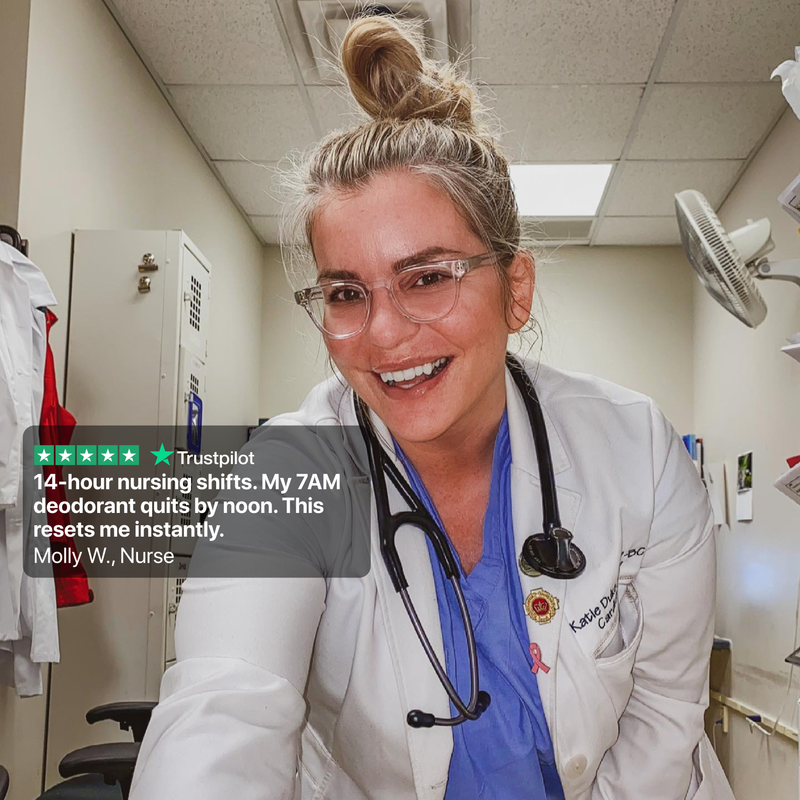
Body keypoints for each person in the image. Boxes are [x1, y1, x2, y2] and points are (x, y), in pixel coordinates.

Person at [130, 14, 735, 800]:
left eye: (426, 277)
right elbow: (222, 707)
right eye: (345, 292)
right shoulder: (286, 472)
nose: (384, 333)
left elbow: (663, 712)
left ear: (515, 290)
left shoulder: (637, 449)